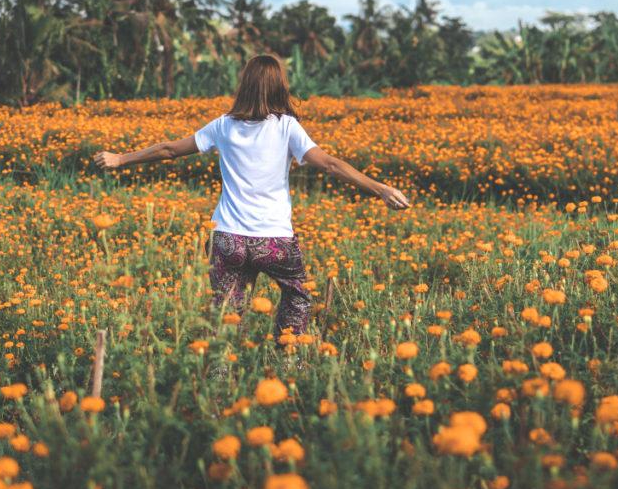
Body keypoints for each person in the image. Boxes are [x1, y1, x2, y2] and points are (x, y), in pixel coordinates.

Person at [93, 54, 410, 343]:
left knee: (225, 315)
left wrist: (121, 159)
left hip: (227, 239)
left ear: (244, 85)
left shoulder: (222, 126)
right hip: (274, 241)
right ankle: (286, 358)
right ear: (279, 87)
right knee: (298, 294)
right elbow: (329, 164)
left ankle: (219, 383)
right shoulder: (287, 127)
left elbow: (168, 151)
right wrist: (380, 188)